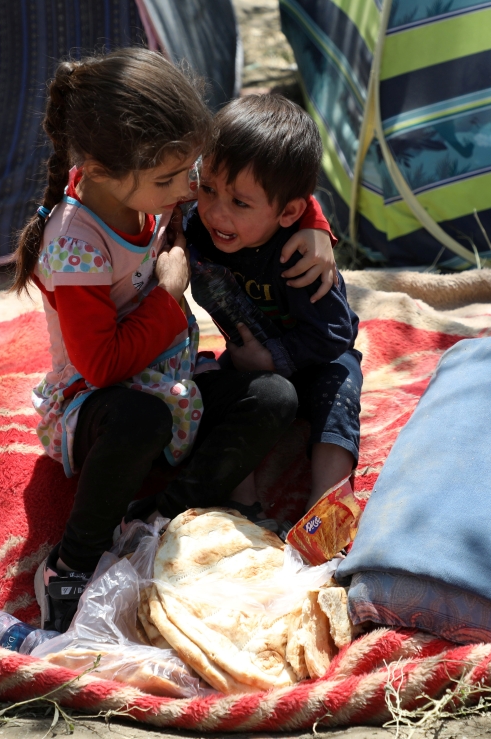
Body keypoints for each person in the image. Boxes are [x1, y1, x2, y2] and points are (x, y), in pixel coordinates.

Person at [11, 49, 339, 632]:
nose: (190, 192)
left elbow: (255, 172)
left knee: (273, 397)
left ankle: (157, 516)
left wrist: (313, 223)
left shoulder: (149, 189)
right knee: (141, 420)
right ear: (107, 171)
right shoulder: (75, 242)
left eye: (187, 174)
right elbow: (102, 364)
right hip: (99, 408)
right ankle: (71, 562)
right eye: (174, 180)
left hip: (174, 387)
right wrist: (167, 296)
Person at [186, 94, 362, 518]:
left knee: (338, 388)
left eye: (239, 203)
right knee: (204, 388)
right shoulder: (195, 227)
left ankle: (328, 507)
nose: (215, 212)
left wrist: (273, 358)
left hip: (316, 363)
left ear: (288, 213)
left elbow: (337, 332)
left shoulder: (300, 256)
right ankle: (242, 509)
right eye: (207, 189)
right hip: (247, 368)